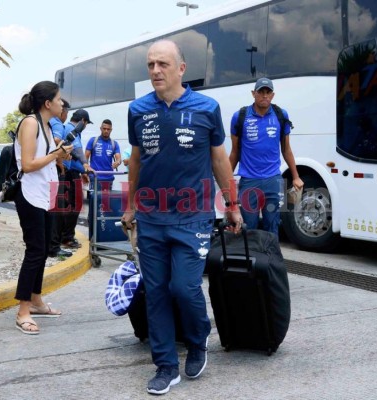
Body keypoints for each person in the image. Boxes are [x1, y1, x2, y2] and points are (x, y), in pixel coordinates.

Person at [121, 39, 242, 395]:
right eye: (150, 65)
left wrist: (231, 204)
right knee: (156, 292)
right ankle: (165, 366)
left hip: (194, 217)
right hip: (152, 217)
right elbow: (136, 160)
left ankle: (198, 339)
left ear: (181, 69)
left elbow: (220, 160)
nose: (155, 71)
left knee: (185, 288)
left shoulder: (206, 107)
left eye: (163, 64)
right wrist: (130, 205)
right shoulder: (138, 110)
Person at [12, 80, 73, 335]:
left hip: (45, 195)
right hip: (29, 195)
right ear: (47, 103)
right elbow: (26, 164)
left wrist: (62, 156)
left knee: (44, 249)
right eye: (59, 99)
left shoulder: (47, 126)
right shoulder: (30, 123)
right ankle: (23, 311)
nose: (62, 103)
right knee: (35, 251)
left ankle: (36, 300)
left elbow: (46, 159)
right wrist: (55, 155)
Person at [228, 77, 304, 235]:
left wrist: (296, 176)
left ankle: (272, 259)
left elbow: (286, 149)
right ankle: (252, 260)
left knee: (273, 227)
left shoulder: (281, 115)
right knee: (248, 228)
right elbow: (234, 152)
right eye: (260, 92)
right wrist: (227, 183)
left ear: (273, 95)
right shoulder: (240, 116)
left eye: (268, 92)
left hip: (274, 181)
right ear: (253, 93)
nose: (264, 95)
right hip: (249, 181)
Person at [54, 109, 93, 251]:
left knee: (68, 206)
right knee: (75, 205)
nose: (86, 126)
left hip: (70, 171)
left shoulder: (68, 128)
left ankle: (63, 236)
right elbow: (77, 151)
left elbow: (74, 155)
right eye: (86, 123)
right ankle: (67, 237)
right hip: (69, 173)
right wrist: (86, 166)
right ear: (83, 121)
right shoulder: (71, 129)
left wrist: (82, 171)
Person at [48, 99, 74, 257]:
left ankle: (50, 244)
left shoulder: (45, 122)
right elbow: (57, 142)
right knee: (58, 210)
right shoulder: (57, 123)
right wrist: (62, 162)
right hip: (54, 172)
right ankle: (54, 247)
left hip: (46, 172)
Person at [85, 119, 121, 191]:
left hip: (109, 178)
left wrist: (117, 162)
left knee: (107, 201)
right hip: (94, 177)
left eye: (108, 129)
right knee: (94, 200)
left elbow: (119, 158)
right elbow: (85, 157)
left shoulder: (114, 143)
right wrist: (86, 171)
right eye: (104, 129)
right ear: (100, 128)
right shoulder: (93, 140)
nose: (106, 131)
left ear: (111, 130)